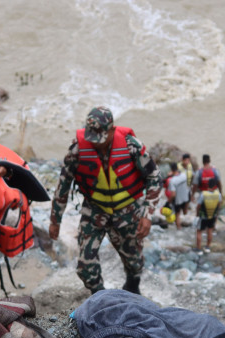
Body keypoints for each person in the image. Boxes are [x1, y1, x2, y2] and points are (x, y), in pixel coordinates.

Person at [49, 106, 161, 295]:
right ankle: (101, 297)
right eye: (92, 138)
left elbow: (154, 177)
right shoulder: (77, 149)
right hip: (94, 210)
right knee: (85, 266)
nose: (96, 144)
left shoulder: (131, 145)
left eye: (101, 138)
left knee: (134, 261)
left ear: (112, 130)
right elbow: (63, 187)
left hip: (128, 211)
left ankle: (132, 287)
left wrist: (147, 214)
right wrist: (55, 221)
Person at [196, 179, 222, 253]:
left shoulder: (203, 194)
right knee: (210, 230)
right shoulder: (218, 194)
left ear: (208, 185)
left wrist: (197, 214)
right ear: (215, 186)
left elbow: (198, 206)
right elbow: (219, 205)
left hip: (203, 215)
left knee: (199, 231)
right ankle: (208, 247)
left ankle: (198, 248)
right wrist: (216, 214)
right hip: (213, 215)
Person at [166, 162, 191, 228]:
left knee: (177, 214)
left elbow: (173, 195)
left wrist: (168, 202)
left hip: (178, 199)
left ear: (171, 169)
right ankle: (187, 219)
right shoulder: (183, 175)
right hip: (186, 197)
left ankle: (179, 228)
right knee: (185, 212)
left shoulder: (172, 181)